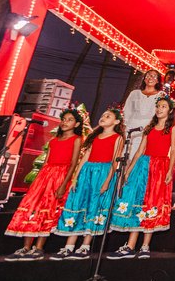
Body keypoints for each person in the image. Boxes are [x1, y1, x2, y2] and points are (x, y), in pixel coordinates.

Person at [4, 110, 84, 261]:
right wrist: (38, 180)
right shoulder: (54, 140)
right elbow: (46, 162)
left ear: (77, 124)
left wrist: (64, 184)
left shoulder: (77, 139)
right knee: (33, 207)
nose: (65, 122)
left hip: (60, 176)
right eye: (64, 119)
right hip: (45, 176)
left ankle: (39, 248)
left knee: (48, 209)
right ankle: (26, 246)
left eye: (70, 120)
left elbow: (74, 163)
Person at [107, 97, 175, 259]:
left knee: (152, 203)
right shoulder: (149, 127)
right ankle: (130, 245)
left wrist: (169, 170)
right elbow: (139, 150)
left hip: (160, 166)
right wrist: (129, 170)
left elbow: (173, 150)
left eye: (163, 106)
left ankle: (145, 245)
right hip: (143, 165)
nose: (159, 109)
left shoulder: (172, 129)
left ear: (170, 110)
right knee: (137, 202)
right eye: (158, 106)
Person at [51, 109, 125, 260]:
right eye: (103, 115)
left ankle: (85, 245)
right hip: (87, 172)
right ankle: (69, 246)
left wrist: (107, 181)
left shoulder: (118, 138)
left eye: (108, 116)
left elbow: (114, 161)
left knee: (94, 207)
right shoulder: (95, 136)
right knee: (78, 204)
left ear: (116, 122)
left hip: (103, 172)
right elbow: (86, 156)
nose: (103, 117)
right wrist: (75, 177)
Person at [122, 69, 162, 160]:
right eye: (148, 75)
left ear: (158, 80)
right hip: (130, 129)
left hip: (146, 130)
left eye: (153, 76)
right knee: (123, 155)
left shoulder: (160, 95)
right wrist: (124, 127)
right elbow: (127, 111)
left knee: (136, 157)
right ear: (144, 79)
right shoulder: (134, 93)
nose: (150, 78)